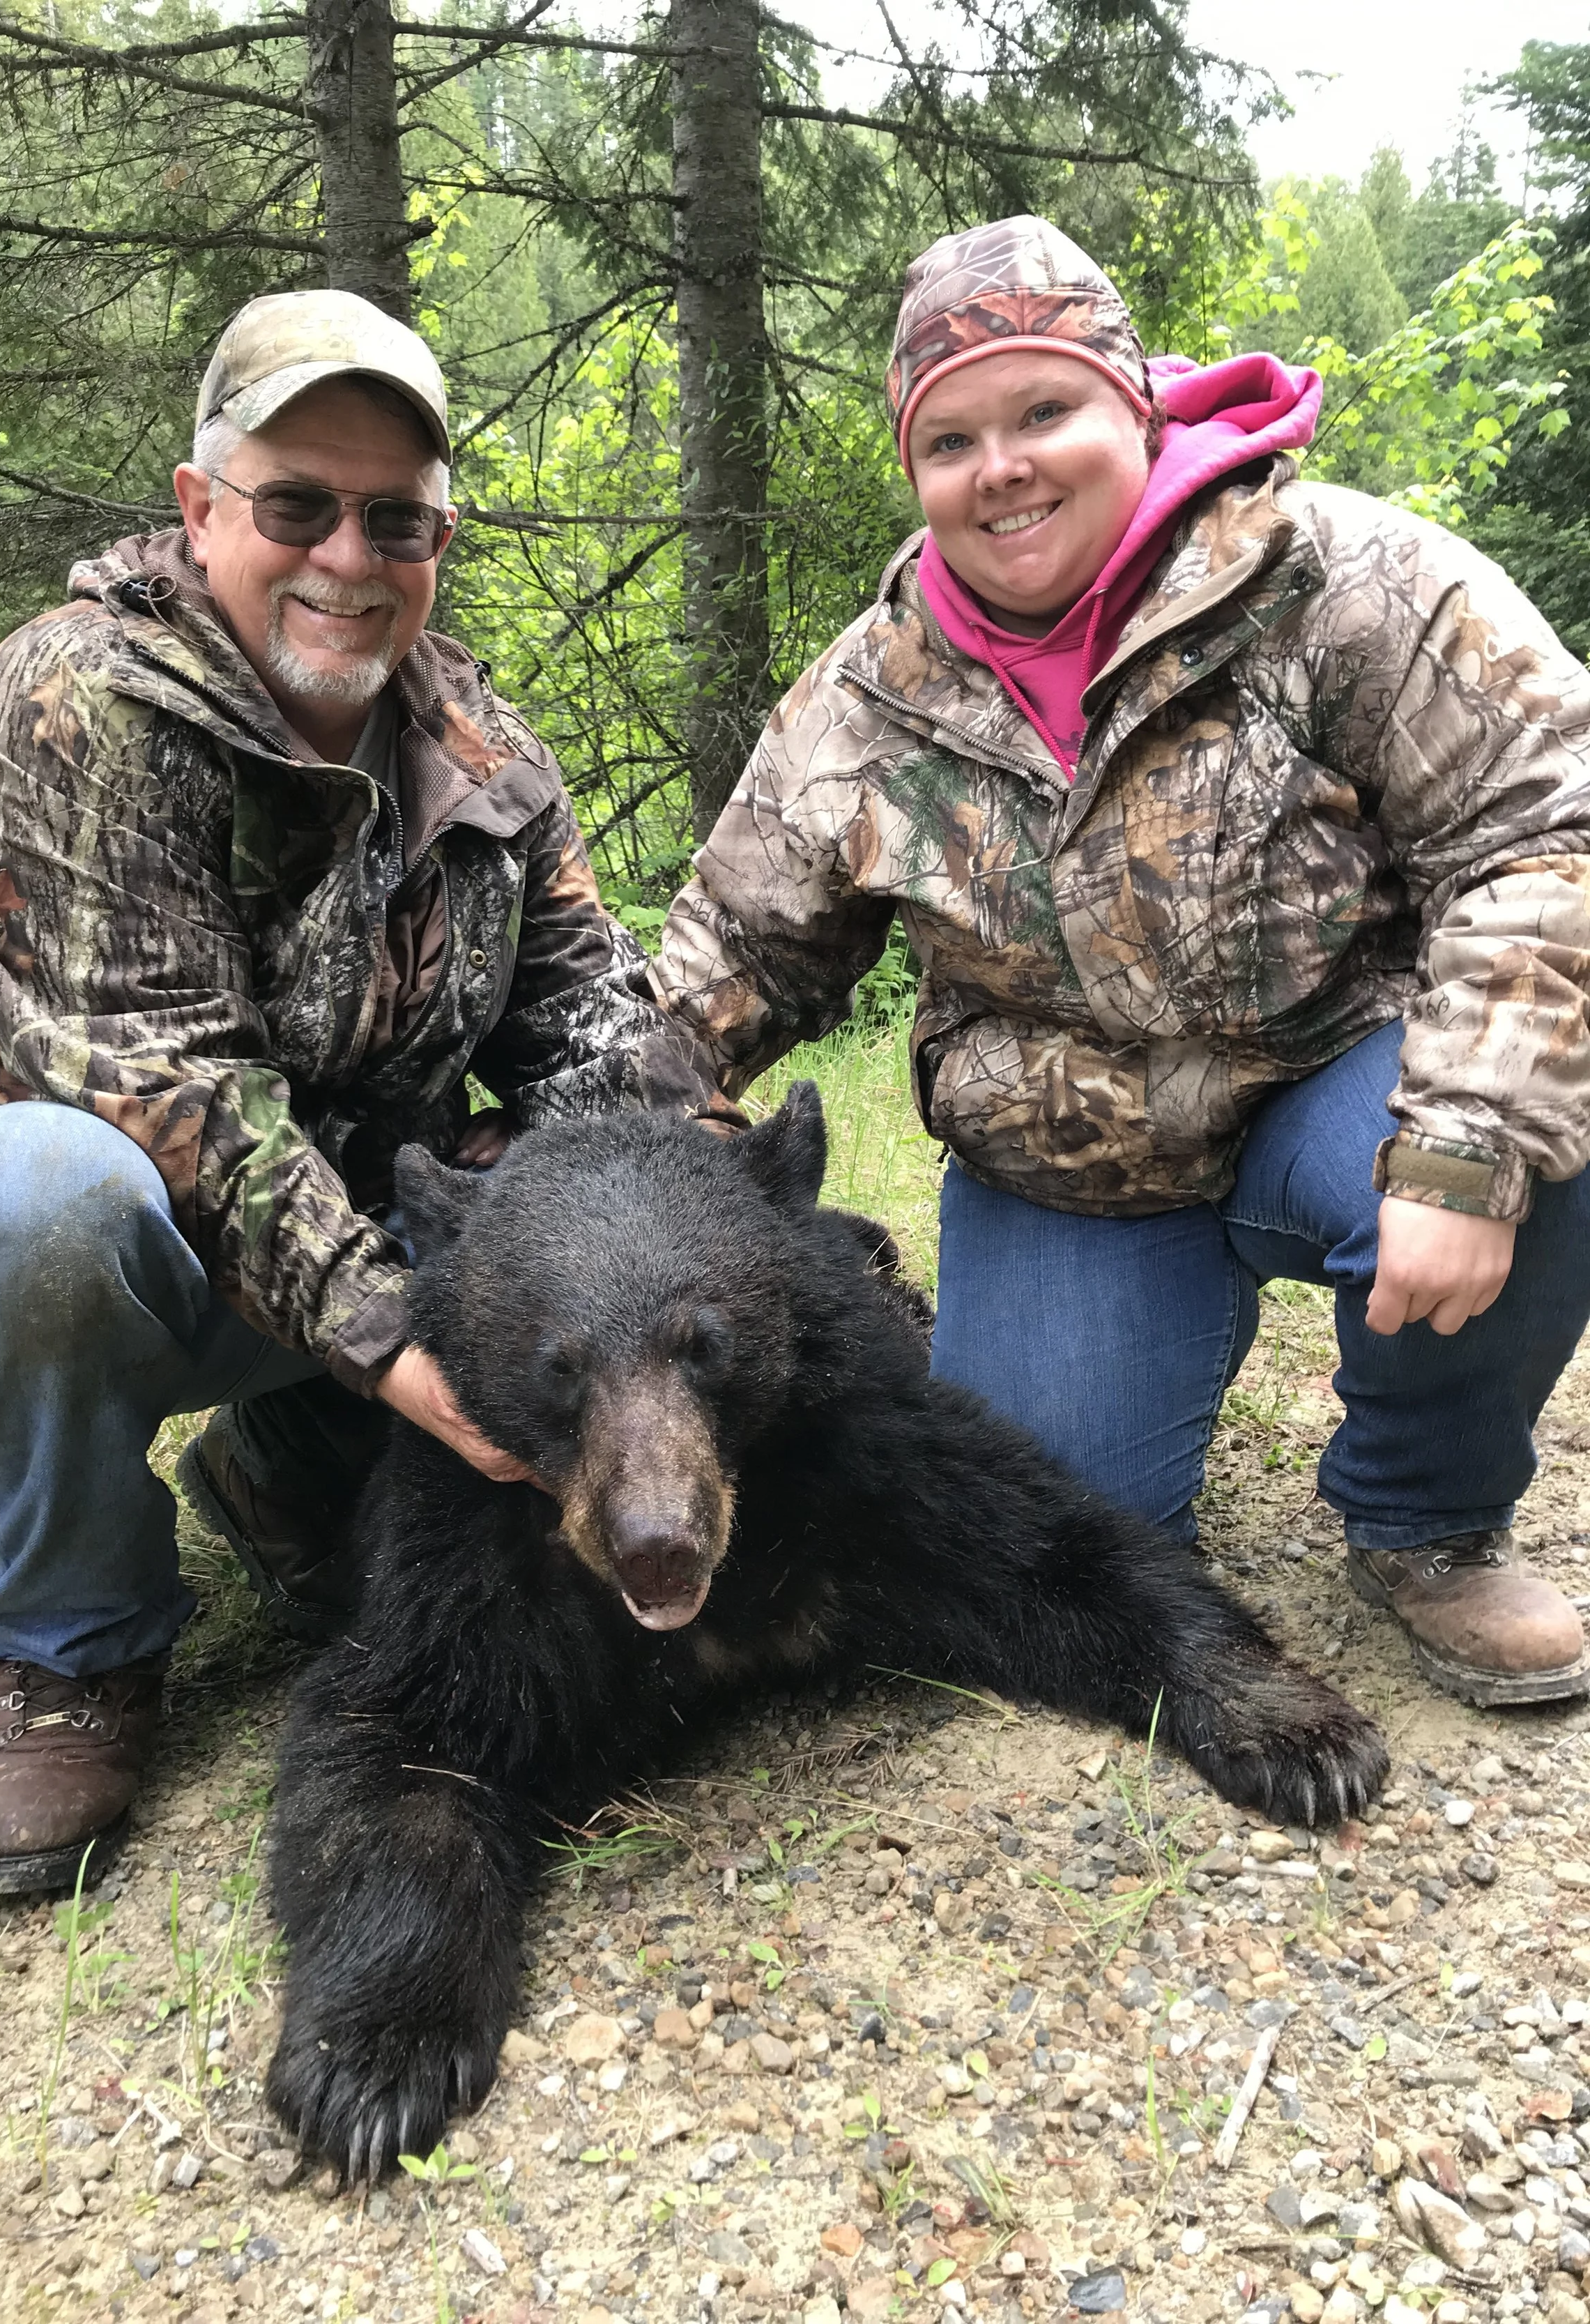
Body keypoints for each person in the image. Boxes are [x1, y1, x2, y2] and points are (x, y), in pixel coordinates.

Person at [0, 288, 726, 1897]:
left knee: (539, 1179)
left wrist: (724, 1245)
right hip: (118, 1245)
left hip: (345, 1231)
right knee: (29, 1194)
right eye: (296, 505)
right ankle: (71, 1641)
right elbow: (160, 1087)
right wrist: (393, 1340)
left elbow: (600, 1044)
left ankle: (289, 1468)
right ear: (200, 510)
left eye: (394, 518)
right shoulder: (71, 701)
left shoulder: (484, 752)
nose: (346, 554)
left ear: (439, 536)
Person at [652, 215, 1590, 1714]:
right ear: (915, 472)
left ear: (1131, 406)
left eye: (1043, 411)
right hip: (1067, 1166)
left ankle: (1426, 1520)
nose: (1000, 465)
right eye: (949, 438)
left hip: (1337, 1082)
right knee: (1067, 1526)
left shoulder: (1337, 574)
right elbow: (718, 970)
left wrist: (1466, 1143)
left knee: (1526, 1153)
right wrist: (584, 1166)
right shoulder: (860, 700)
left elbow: (1548, 825)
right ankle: (1149, 1326)